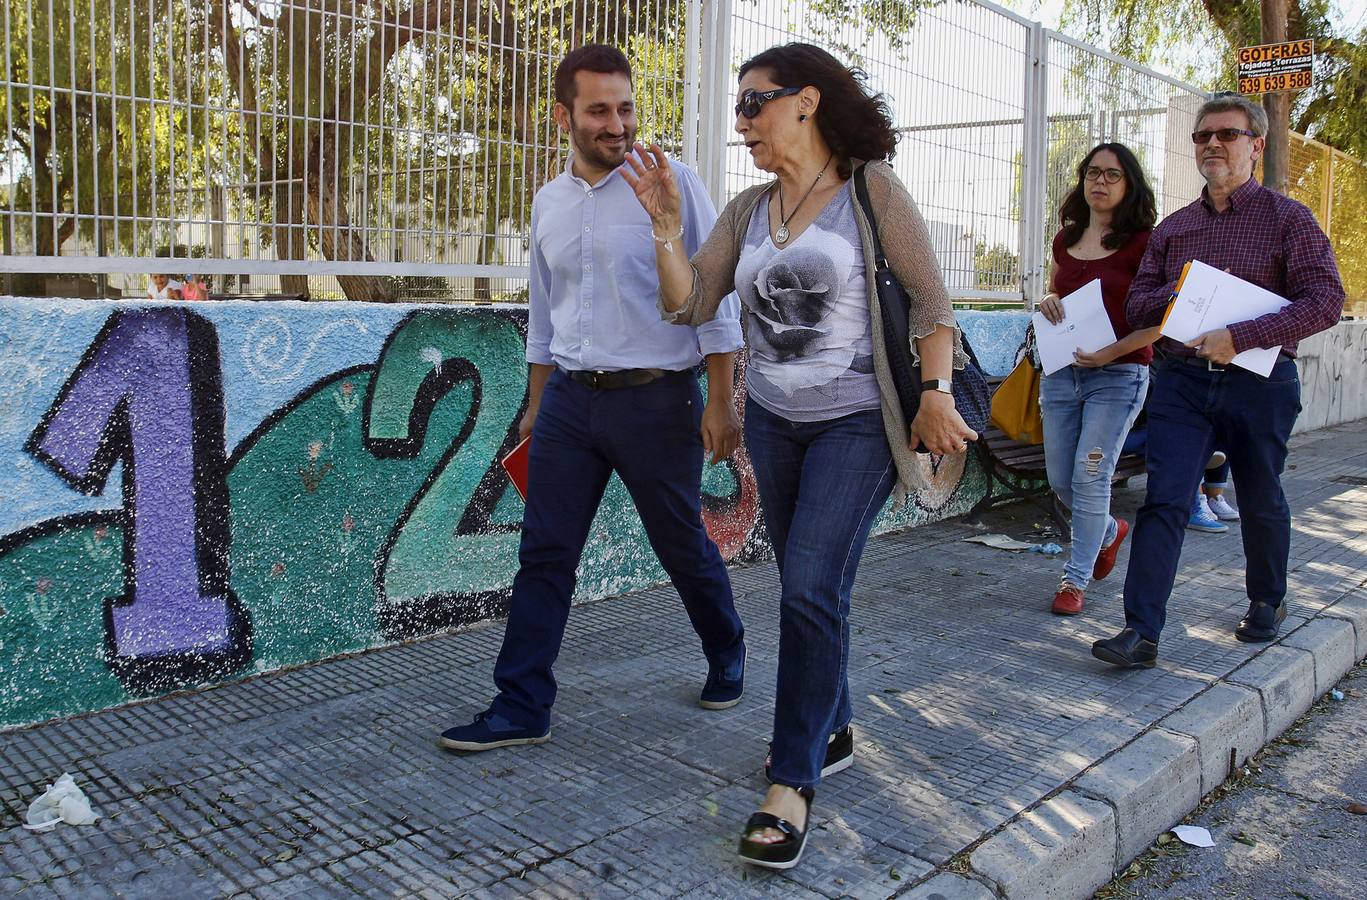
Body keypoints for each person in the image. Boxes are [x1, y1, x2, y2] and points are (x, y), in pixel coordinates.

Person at [622, 42, 976, 869]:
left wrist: (935, 392)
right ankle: (834, 724)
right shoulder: (747, 211)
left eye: (754, 102)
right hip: (775, 423)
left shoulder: (870, 190)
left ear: (806, 102)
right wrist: (668, 231)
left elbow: (931, 301)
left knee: (812, 584)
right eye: (738, 106)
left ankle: (790, 781)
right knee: (808, 585)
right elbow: (688, 304)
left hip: (857, 422)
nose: (741, 120)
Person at [437, 45, 747, 751]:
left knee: (679, 544)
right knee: (544, 552)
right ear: (563, 117)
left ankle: (725, 646)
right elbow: (546, 316)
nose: (618, 125)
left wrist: (720, 398)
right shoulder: (548, 202)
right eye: (600, 110)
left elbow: (712, 300)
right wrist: (535, 404)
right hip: (571, 405)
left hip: (656, 400)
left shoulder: (671, 183)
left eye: (626, 108)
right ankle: (521, 704)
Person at [1092, 93, 1345, 668]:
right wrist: (1185, 298)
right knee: (1164, 502)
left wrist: (1244, 333)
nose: (1211, 144)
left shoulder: (1289, 219)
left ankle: (1266, 601)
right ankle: (1141, 632)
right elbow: (1138, 306)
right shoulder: (1174, 229)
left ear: (1255, 147)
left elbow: (1326, 300)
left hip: (1260, 382)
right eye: (1202, 135)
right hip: (1182, 382)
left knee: (1260, 497)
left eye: (1226, 135)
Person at [1036, 143, 1160, 616]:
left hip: (1119, 374)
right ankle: (1108, 531)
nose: (1100, 182)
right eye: (1093, 173)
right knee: (1060, 479)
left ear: (1129, 184)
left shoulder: (1146, 243)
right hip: (1064, 373)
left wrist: (1111, 352)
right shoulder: (1064, 240)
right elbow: (1057, 288)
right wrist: (1049, 299)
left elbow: (1164, 317)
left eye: (1112, 175)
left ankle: (1074, 580)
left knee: (1090, 477)